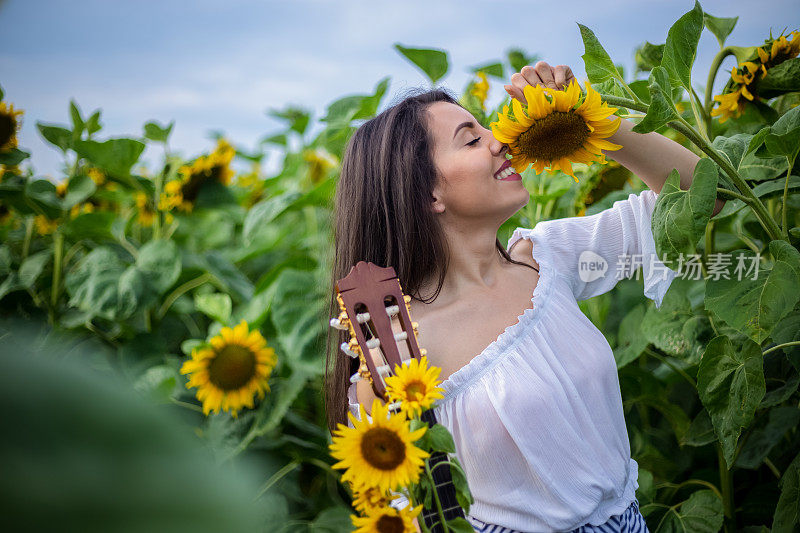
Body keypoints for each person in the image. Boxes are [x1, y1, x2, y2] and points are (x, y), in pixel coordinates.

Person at [324, 61, 726, 532]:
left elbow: (703, 195)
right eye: (471, 139)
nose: (500, 140)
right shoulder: (395, 346)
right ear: (428, 191)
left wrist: (587, 117)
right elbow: (410, 508)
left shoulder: (547, 258)